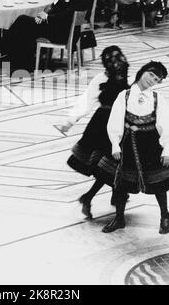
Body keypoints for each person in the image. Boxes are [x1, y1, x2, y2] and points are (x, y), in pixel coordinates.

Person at [97, 61, 169, 234]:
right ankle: (119, 218)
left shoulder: (158, 98)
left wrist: (166, 149)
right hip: (128, 143)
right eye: (151, 75)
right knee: (120, 183)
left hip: (151, 144)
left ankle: (165, 215)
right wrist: (115, 144)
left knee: (158, 182)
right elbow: (114, 121)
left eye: (157, 79)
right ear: (143, 72)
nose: (153, 80)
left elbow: (166, 125)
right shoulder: (125, 95)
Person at [62, 46, 130, 218]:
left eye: (119, 57)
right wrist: (70, 120)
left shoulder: (123, 75)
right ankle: (93, 196)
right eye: (113, 59)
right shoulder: (101, 78)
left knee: (112, 166)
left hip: (120, 124)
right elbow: (87, 99)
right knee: (110, 165)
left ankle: (109, 195)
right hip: (103, 128)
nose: (118, 61)